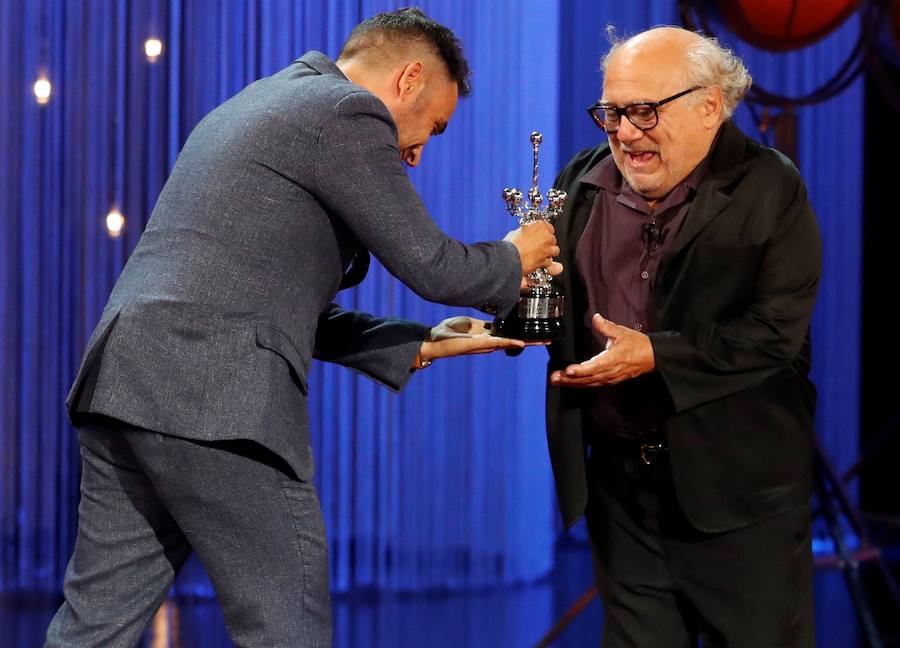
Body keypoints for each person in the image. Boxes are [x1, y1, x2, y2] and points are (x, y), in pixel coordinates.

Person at [45, 8, 560, 648]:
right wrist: (516, 257)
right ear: (408, 80)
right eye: (431, 128)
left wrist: (420, 342)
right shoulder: (344, 112)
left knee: (95, 627)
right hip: (213, 396)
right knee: (288, 626)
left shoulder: (261, 100)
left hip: (125, 382)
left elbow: (265, 300)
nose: (419, 155)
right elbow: (432, 264)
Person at [545, 26, 822, 647]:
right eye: (612, 112)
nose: (623, 130)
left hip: (738, 498)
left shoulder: (770, 187)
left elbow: (775, 332)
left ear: (710, 106)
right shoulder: (581, 181)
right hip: (622, 492)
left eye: (644, 110)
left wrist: (655, 355)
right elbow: (547, 289)